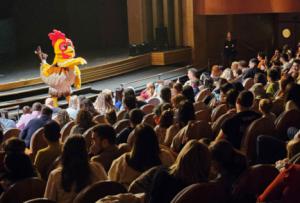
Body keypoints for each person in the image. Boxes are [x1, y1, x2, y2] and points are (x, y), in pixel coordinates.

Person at [44, 135, 107, 203]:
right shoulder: (97, 168)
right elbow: (106, 191)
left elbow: (48, 200)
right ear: (85, 150)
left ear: (64, 152)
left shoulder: (56, 175)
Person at [109, 124, 174, 189]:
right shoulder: (166, 157)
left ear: (133, 142)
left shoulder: (121, 162)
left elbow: (111, 186)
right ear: (155, 140)